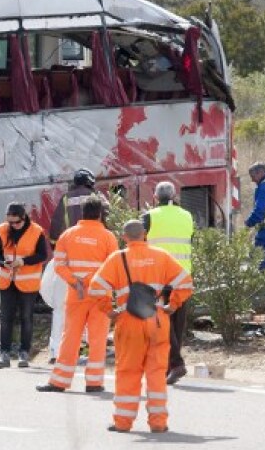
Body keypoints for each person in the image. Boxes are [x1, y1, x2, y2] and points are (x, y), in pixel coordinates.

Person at [90, 219, 194, 434]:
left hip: (129, 322)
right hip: (156, 321)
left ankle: (123, 422)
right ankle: (158, 423)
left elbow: (96, 287)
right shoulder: (161, 256)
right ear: (145, 234)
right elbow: (186, 283)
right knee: (156, 373)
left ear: (124, 237)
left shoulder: (117, 259)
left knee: (128, 372)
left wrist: (109, 310)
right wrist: (172, 305)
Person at [36, 195, 116, 393]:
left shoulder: (68, 235)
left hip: (76, 294)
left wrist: (74, 281)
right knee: (97, 338)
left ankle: (59, 381)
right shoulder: (108, 237)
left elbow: (59, 265)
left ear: (82, 213)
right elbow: (114, 268)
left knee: (70, 336)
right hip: (101, 295)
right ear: (99, 214)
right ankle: (94, 383)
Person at [142, 181, 195, 386]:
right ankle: (169, 367)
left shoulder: (149, 216)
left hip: (160, 275)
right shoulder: (187, 215)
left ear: (155, 197)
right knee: (177, 324)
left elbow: (138, 240)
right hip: (183, 274)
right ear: (174, 196)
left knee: (163, 322)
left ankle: (175, 364)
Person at [45, 169, 96, 362]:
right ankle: (87, 352)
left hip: (66, 265)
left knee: (61, 308)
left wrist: (58, 252)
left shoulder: (66, 199)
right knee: (91, 310)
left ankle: (55, 352)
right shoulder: (96, 198)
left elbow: (55, 229)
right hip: (92, 265)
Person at [0, 202, 48, 368]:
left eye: (17, 222)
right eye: (10, 222)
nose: (13, 226)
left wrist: (23, 261)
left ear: (24, 218)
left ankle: (24, 353)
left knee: (26, 318)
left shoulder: (37, 231)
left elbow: (42, 255)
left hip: (28, 282)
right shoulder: (3, 229)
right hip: (7, 280)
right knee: (5, 317)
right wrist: (3, 262)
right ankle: (4, 354)